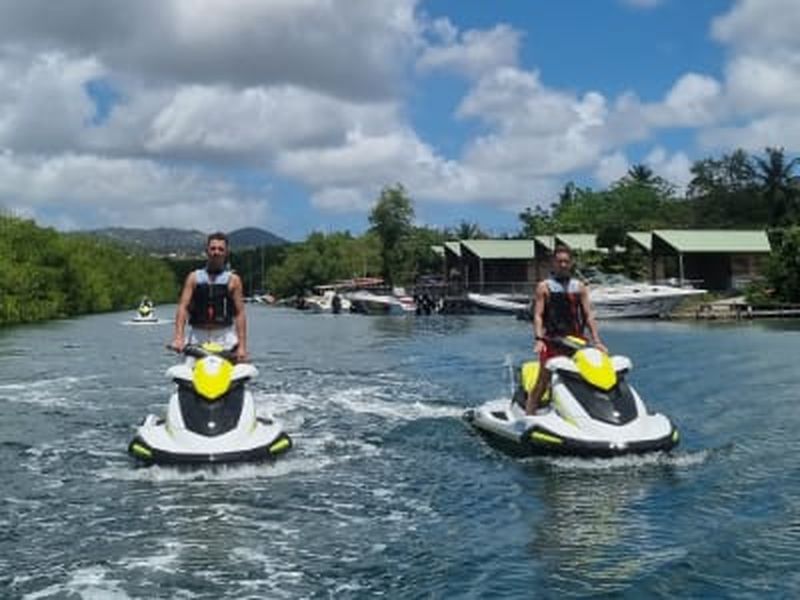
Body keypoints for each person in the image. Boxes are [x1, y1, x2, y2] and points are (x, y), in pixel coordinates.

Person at [526, 245, 606, 415]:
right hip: (552, 340)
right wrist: (539, 339)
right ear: (553, 263)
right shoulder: (544, 287)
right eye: (559, 261)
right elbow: (538, 315)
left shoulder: (579, 287)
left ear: (571, 263)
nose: (563, 264)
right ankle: (528, 416)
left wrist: (597, 341)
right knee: (543, 380)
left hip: (576, 341)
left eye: (566, 261)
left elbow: (588, 315)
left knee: (587, 377)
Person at [171, 232, 248, 363]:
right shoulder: (193, 278)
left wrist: (242, 347)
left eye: (220, 249)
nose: (216, 252)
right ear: (206, 251)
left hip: (225, 337)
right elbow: (183, 308)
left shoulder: (233, 280)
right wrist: (179, 338)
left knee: (240, 368)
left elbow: (240, 313)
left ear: (226, 252)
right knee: (186, 372)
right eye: (213, 248)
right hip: (197, 336)